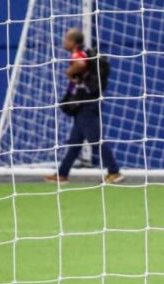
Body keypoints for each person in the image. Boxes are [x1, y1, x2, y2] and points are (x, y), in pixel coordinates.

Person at [46, 28, 125, 185]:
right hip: (87, 103)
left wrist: (69, 72)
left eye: (66, 39)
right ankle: (62, 174)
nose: (64, 42)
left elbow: (80, 64)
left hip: (86, 104)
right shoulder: (85, 51)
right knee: (75, 141)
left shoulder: (78, 53)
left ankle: (114, 171)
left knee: (96, 140)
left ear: (73, 42)